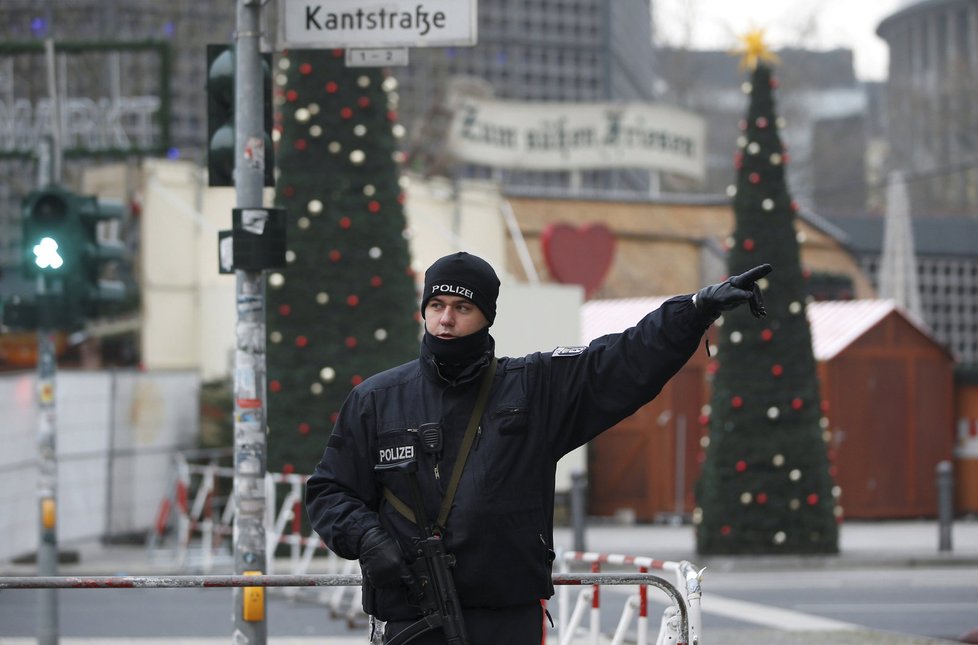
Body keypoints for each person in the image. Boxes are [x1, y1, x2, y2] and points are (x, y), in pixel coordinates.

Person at [306, 251, 771, 644]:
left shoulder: (532, 388)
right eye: (436, 305)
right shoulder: (377, 399)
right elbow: (328, 491)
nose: (445, 320)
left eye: (462, 309)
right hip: (410, 615)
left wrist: (693, 311)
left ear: (487, 316)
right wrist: (367, 538)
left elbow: (623, 360)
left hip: (507, 617)